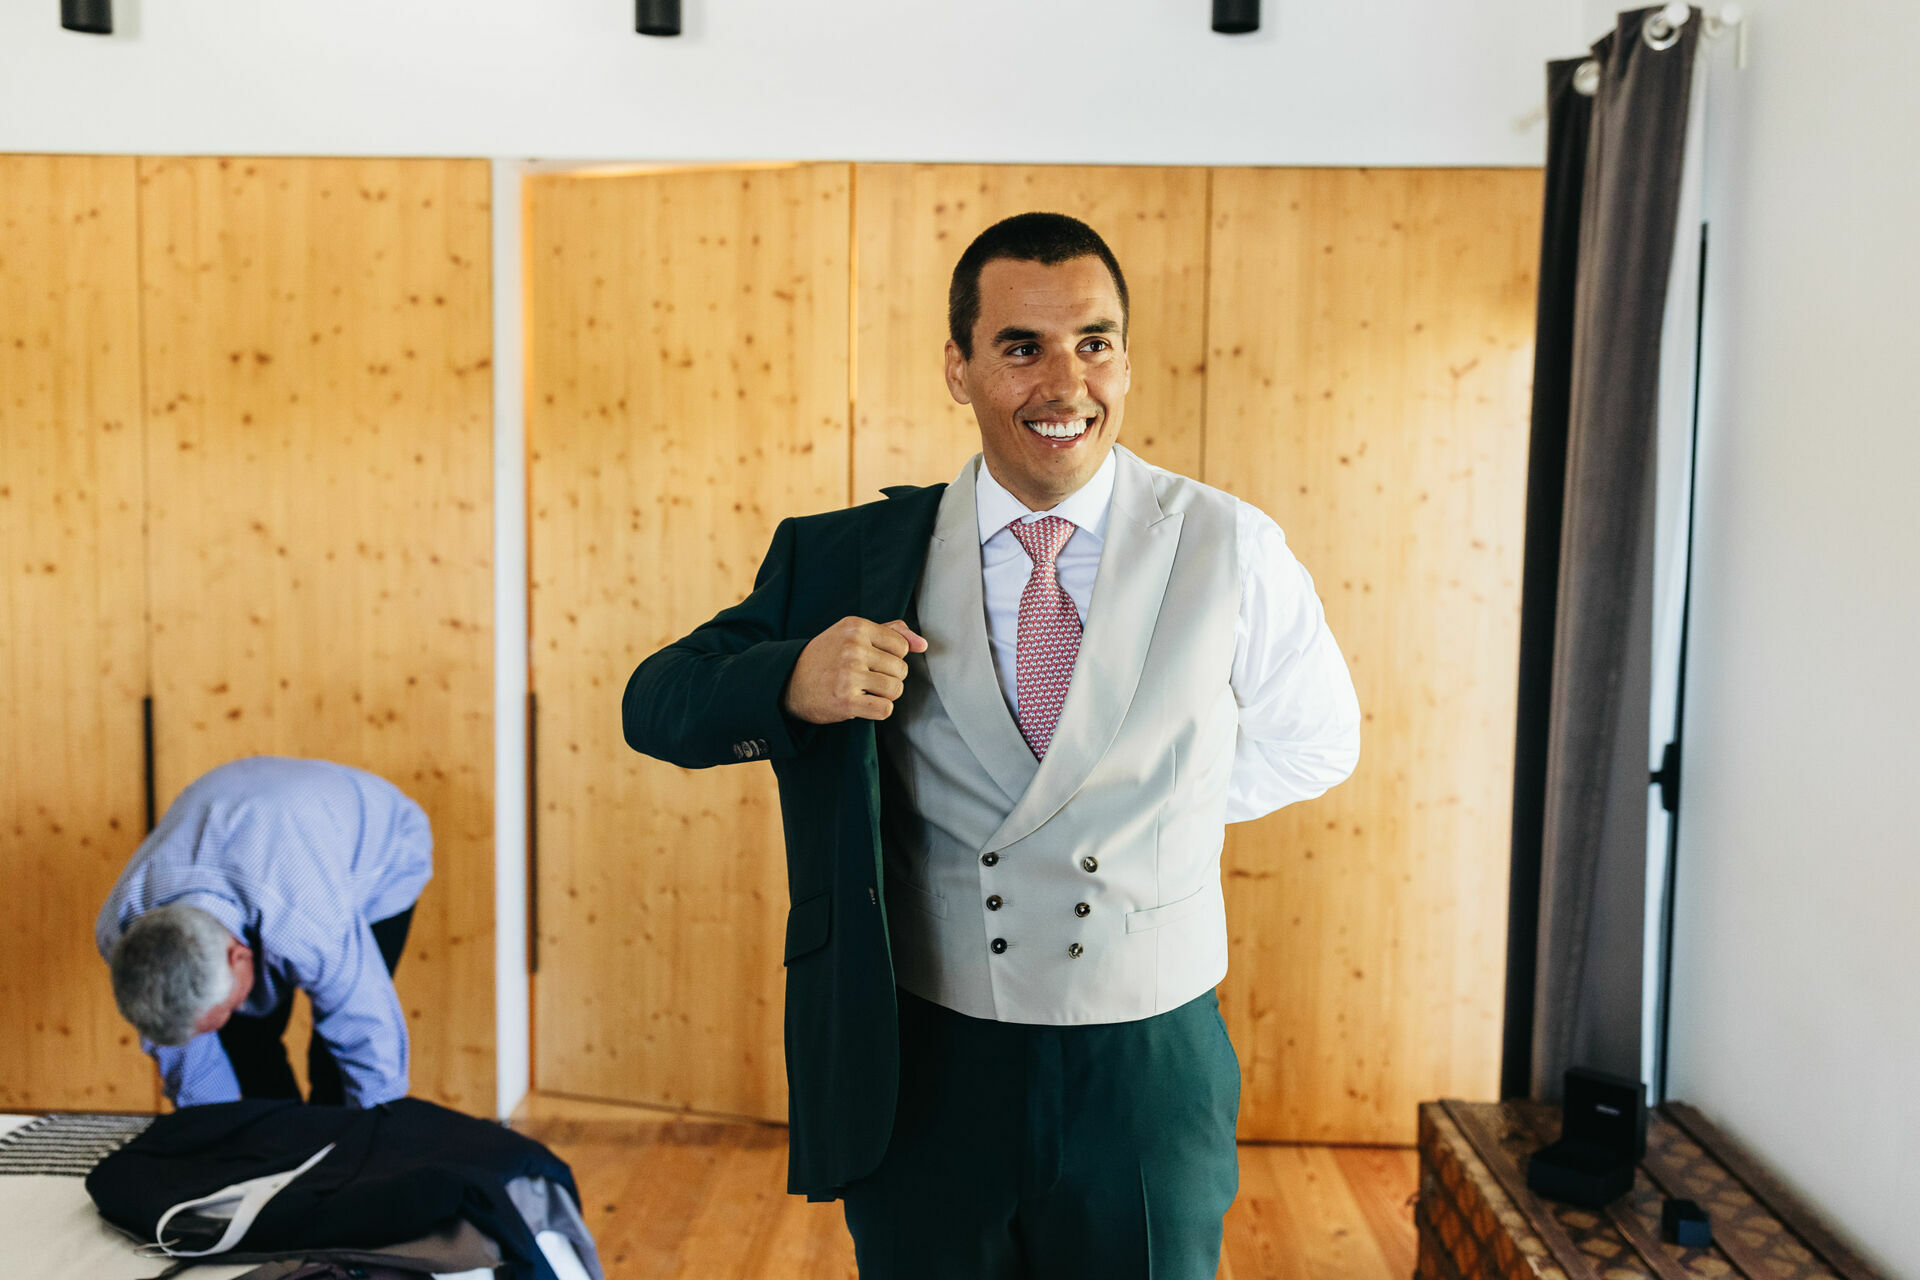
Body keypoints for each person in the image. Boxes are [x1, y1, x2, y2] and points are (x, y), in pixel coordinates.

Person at [622, 212, 1360, 1278]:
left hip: (1148, 1066)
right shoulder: (847, 557)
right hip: (925, 1059)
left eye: (1094, 343)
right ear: (958, 369)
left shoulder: (1231, 543)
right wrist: (788, 680)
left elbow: (1315, 742)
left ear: (1126, 362)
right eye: (1022, 347)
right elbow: (655, 703)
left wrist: (1161, 809)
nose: (1066, 384)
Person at [96, 755, 431, 1109]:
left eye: (225, 1009)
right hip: (263, 824)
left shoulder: (308, 925)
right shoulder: (121, 932)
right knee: (247, 1042)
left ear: (239, 956)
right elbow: (186, 1061)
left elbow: (368, 1038)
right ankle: (278, 1133)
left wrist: (373, 1130)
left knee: (332, 1061)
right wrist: (214, 1129)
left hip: (381, 847)